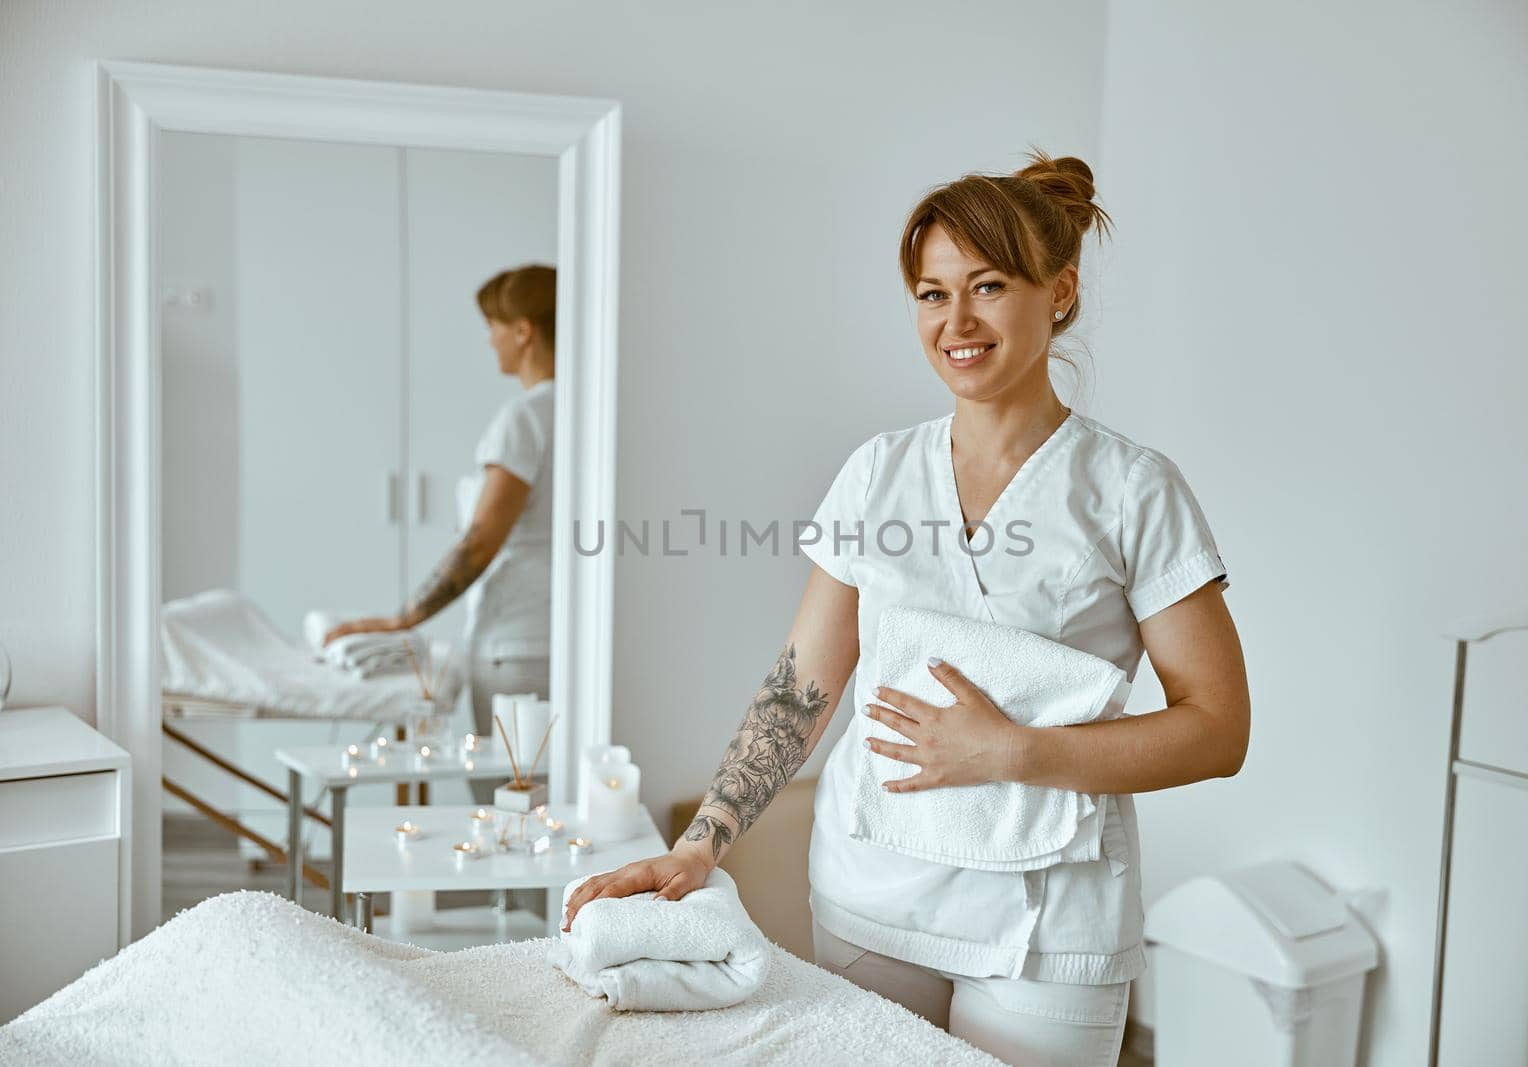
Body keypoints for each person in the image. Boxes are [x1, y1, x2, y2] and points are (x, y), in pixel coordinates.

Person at [562, 151, 1250, 1067]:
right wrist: (700, 844)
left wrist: (1015, 750)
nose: (956, 322)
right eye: (931, 294)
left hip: (1047, 919)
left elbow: (1218, 728)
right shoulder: (877, 473)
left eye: (988, 285)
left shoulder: (1132, 491)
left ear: (1060, 291)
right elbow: (803, 684)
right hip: (871, 893)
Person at [323, 265, 557, 803]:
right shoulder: (589, 411)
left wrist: (401, 619)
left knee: (510, 805)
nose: (488, 338)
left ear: (523, 330)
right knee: (551, 808)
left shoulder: (525, 417)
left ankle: (515, 895)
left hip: (513, 648)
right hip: (556, 639)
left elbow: (481, 540)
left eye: (494, 324)